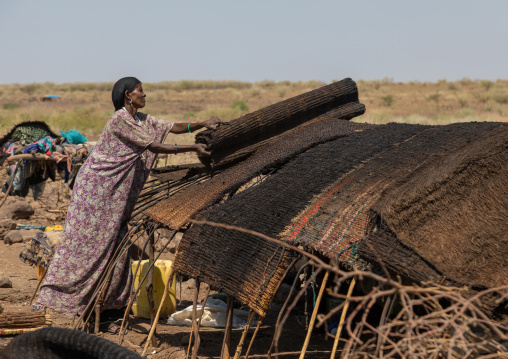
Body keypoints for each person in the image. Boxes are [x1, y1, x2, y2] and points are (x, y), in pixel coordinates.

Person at [38, 77, 221, 317]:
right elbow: (154, 146)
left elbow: (172, 126)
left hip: (116, 192)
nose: (145, 95)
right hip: (96, 191)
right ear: (128, 95)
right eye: (141, 91)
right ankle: (59, 293)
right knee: (88, 245)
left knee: (117, 245)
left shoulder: (142, 120)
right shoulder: (119, 120)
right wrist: (191, 149)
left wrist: (203, 123)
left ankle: (109, 309)